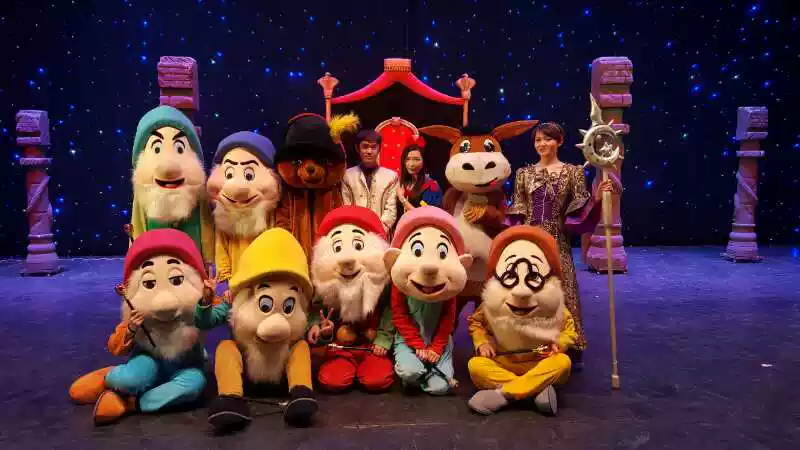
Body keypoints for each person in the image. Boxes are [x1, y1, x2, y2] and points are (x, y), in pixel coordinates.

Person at [507, 122, 619, 370]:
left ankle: (570, 344)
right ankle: (531, 345)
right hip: (530, 243)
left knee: (564, 290)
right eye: (538, 140)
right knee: (530, 291)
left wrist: (596, 198)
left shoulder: (573, 172)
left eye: (547, 139)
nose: (542, 144)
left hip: (557, 241)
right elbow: (518, 209)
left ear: (560, 141)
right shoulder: (523, 174)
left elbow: (578, 208)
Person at [341, 129, 399, 233]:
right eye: (365, 147)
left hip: (381, 234)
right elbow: (346, 207)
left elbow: (391, 210)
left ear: (379, 149)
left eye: (373, 147)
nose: (369, 151)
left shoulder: (391, 177)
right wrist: (357, 232)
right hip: (355, 232)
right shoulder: (347, 175)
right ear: (357, 148)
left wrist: (378, 232)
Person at [395, 143, 442, 218]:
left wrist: (402, 199)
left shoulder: (432, 186)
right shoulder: (401, 182)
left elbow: (424, 216)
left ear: (424, 161)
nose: (411, 164)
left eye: (417, 159)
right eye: (408, 159)